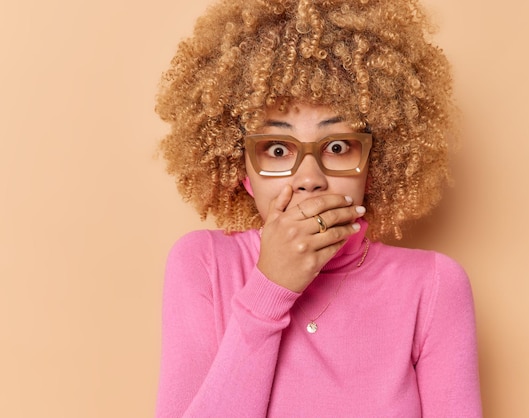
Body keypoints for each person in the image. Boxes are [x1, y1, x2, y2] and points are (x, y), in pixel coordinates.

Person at [155, 0, 482, 416]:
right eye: (276, 149)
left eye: (338, 146)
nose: (309, 176)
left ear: (373, 164)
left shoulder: (433, 287)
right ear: (243, 171)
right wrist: (269, 289)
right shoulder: (203, 265)